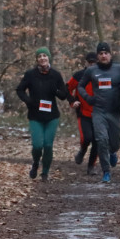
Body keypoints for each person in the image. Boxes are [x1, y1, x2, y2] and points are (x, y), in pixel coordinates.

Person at [77, 41, 120, 183]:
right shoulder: (92, 71)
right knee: (101, 140)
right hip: (99, 111)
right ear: (97, 56)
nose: (103, 56)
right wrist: (88, 98)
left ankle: (113, 151)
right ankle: (106, 172)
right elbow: (80, 86)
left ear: (110, 54)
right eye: (101, 53)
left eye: (106, 53)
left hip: (114, 111)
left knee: (114, 142)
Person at [15, 47, 70, 182]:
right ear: (37, 60)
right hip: (35, 116)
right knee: (38, 145)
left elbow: (63, 95)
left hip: (52, 116)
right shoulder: (30, 74)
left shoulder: (56, 75)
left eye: (44, 56)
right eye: (39, 56)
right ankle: (35, 162)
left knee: (48, 145)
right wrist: (28, 101)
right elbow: (20, 90)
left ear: (48, 58)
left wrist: (56, 90)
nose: (42, 58)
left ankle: (45, 172)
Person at [67, 52, 100, 174]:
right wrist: (73, 101)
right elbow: (67, 88)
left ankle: (91, 166)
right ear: (86, 63)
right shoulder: (79, 75)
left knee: (97, 141)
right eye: (90, 63)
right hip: (83, 113)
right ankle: (82, 150)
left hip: (98, 113)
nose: (92, 65)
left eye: (94, 63)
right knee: (87, 137)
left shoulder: (103, 75)